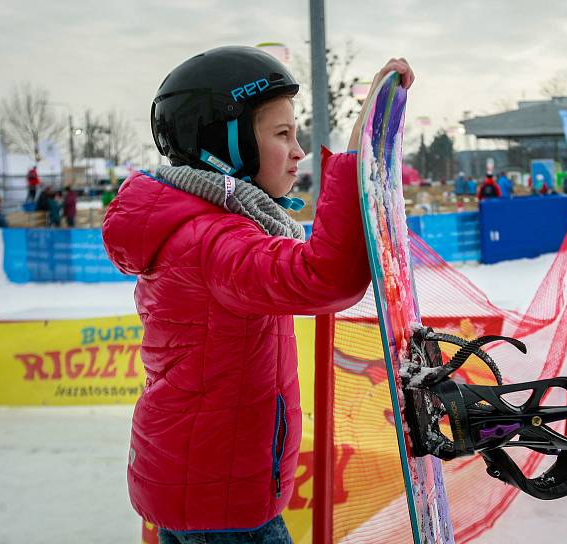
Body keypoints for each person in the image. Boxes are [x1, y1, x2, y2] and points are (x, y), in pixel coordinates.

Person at [101, 46, 414, 544]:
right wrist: (354, 160)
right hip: (221, 505)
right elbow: (325, 276)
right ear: (228, 146)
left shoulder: (206, 226)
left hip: (201, 487)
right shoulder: (212, 242)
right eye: (282, 134)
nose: (299, 150)